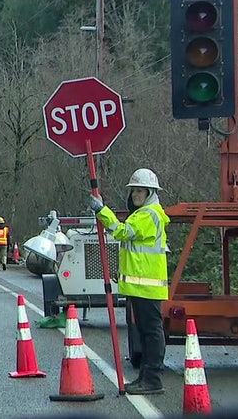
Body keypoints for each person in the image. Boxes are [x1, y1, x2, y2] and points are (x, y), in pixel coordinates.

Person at [89, 168, 170, 395]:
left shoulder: (149, 214)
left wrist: (102, 211)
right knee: (145, 332)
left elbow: (123, 232)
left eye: (139, 191)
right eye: (133, 191)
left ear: (150, 192)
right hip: (141, 284)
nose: (135, 195)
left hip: (148, 285)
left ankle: (152, 379)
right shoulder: (144, 212)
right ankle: (147, 377)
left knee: (151, 331)